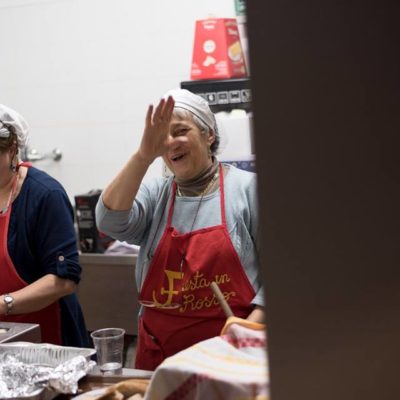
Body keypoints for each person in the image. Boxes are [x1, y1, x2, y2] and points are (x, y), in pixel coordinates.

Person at [96, 89, 264, 370]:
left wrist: (246, 331)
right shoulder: (156, 193)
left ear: (209, 134)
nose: (170, 143)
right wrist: (142, 156)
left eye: (180, 131)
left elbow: (283, 275)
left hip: (230, 352)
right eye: (163, 136)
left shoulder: (248, 189)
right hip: (161, 356)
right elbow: (109, 221)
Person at [0, 104, 89, 347]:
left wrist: (4, 304)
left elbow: (64, 280)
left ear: (13, 148)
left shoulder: (44, 195)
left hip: (48, 342)